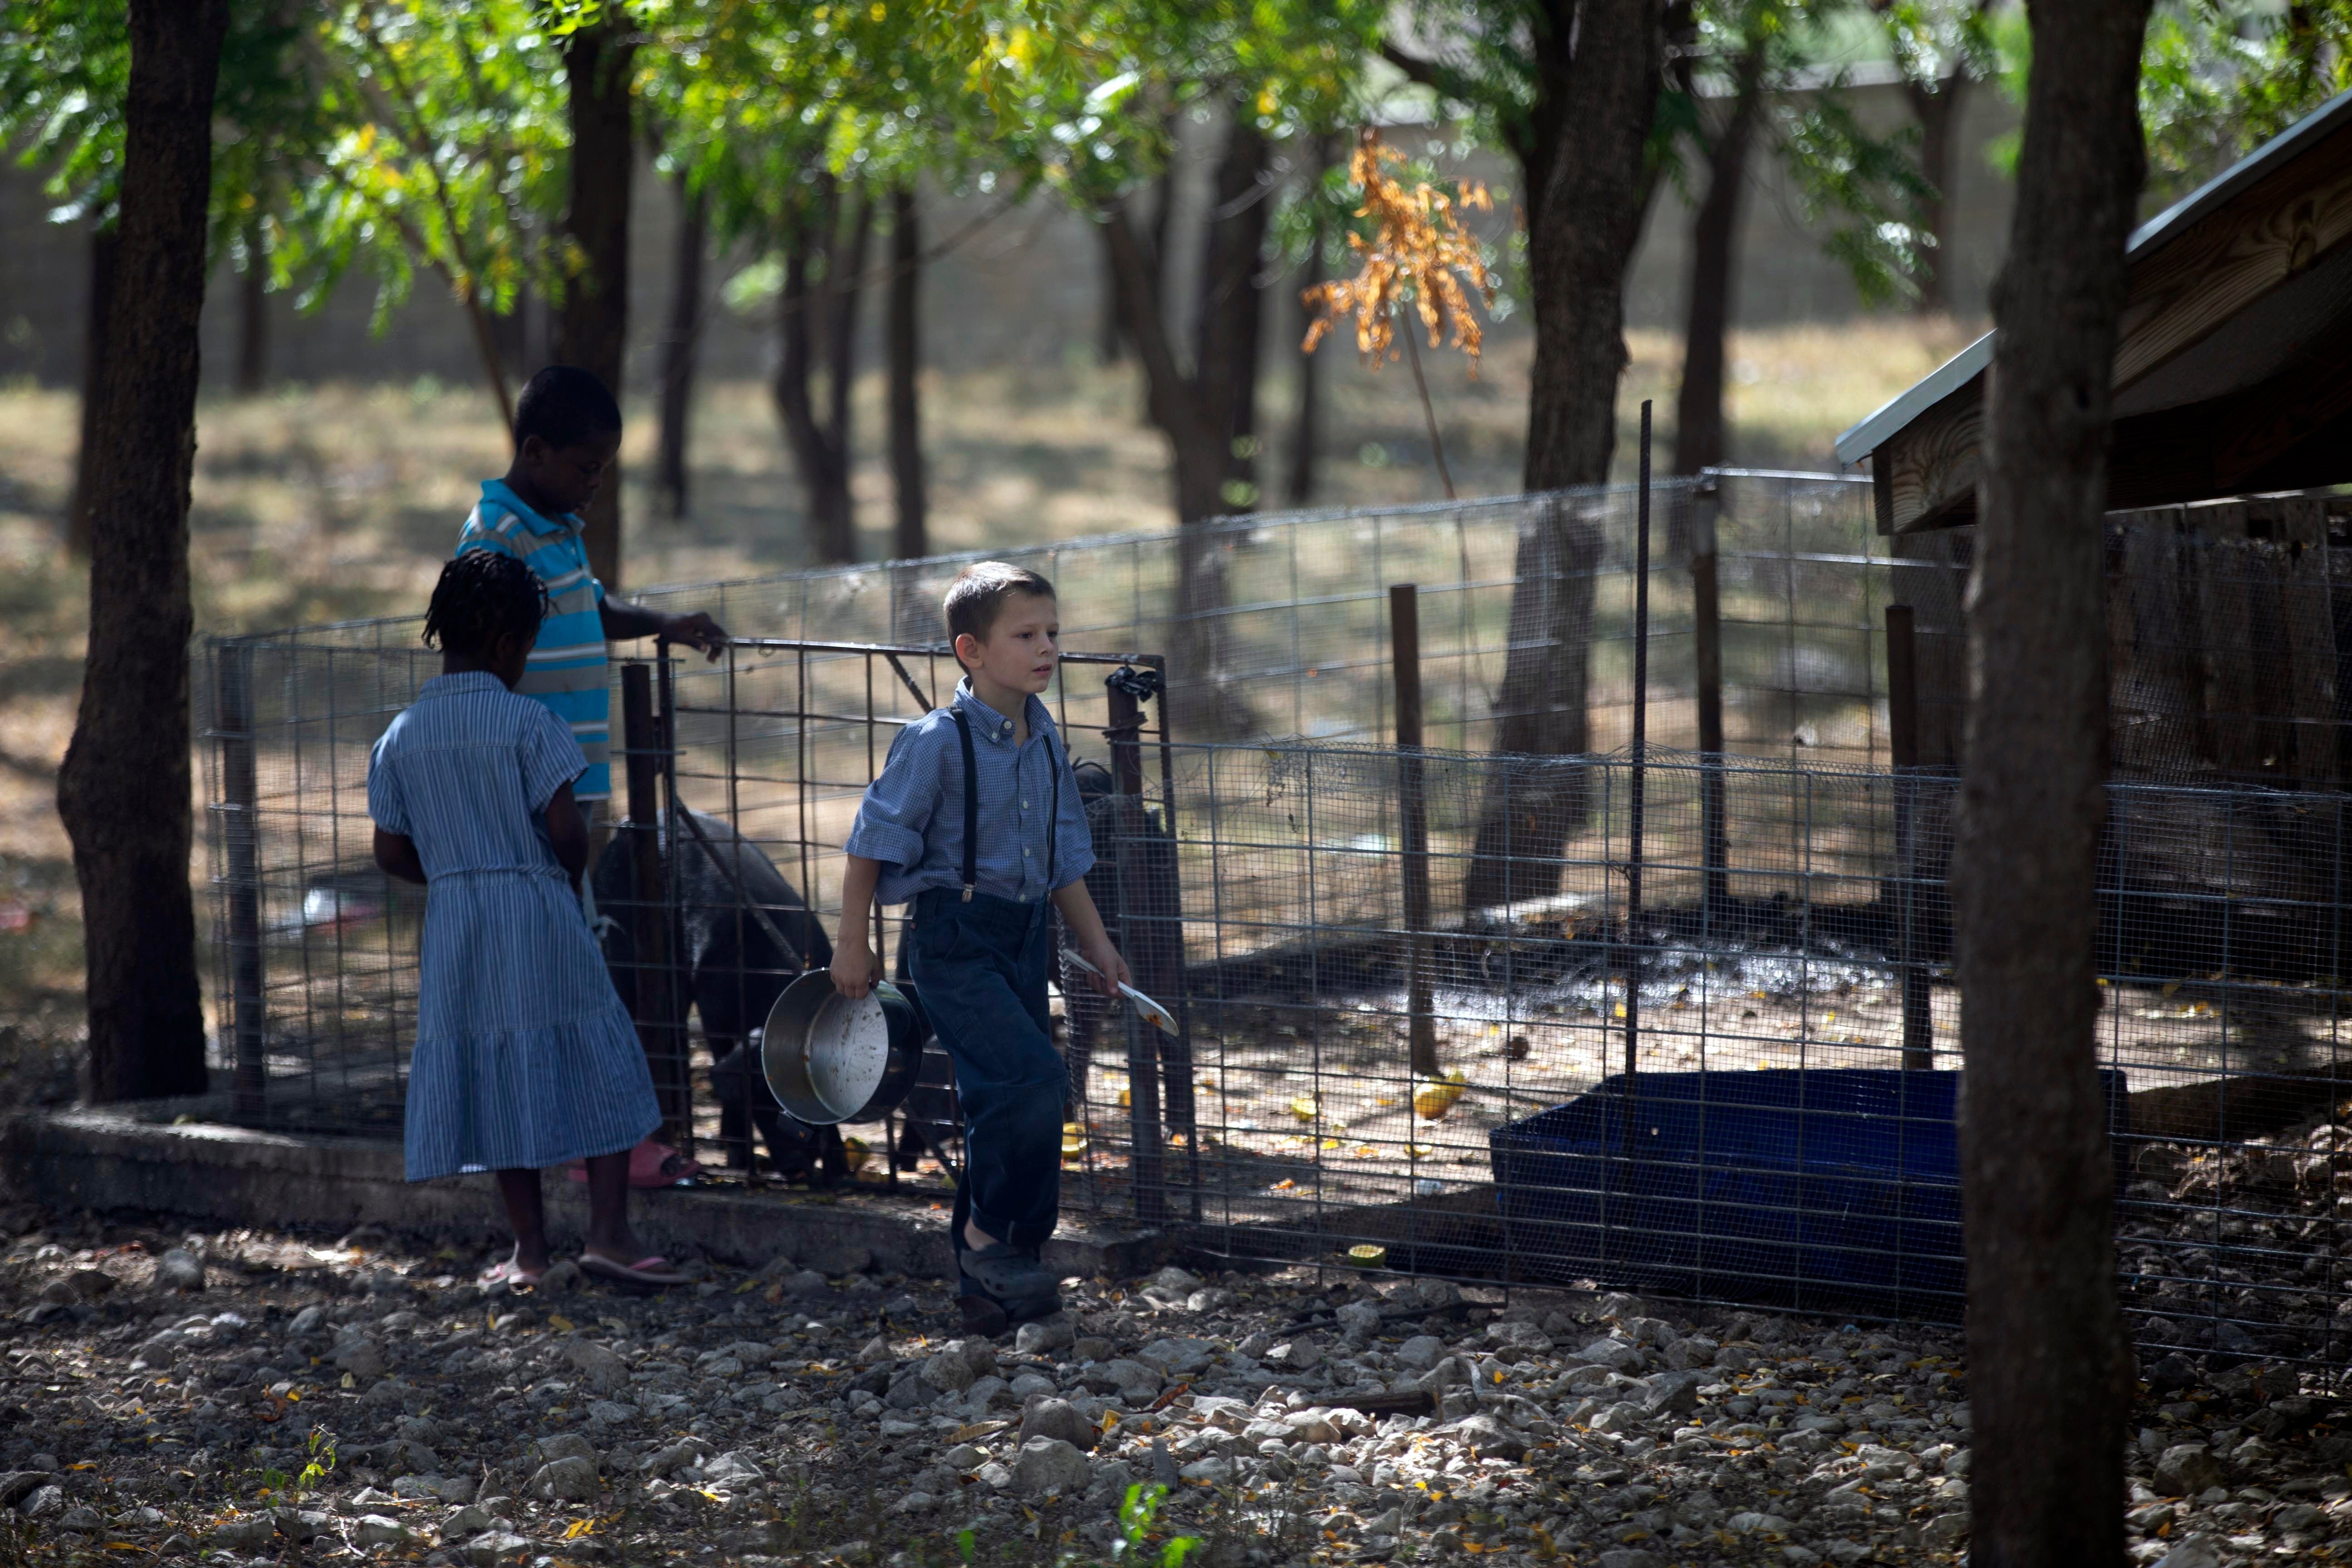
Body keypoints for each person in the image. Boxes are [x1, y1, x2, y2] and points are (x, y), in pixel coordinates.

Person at [369, 551, 689, 1291]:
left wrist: (452, 876)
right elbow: (567, 827)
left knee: (492, 1068)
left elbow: (389, 850)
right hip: (537, 905)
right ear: (514, 643)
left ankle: (531, 1253)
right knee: (596, 1055)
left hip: (457, 926)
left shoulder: (401, 736)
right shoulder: (528, 722)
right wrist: (556, 877)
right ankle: (609, 1236)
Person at [832, 562, 1131, 1330]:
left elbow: (1064, 854)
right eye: (1026, 635)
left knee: (1011, 1095)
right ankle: (987, 1237)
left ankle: (998, 1277)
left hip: (1025, 936)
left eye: (1053, 633)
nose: (1047, 649)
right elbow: (871, 841)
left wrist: (1096, 944)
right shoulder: (936, 741)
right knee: (1029, 1080)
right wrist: (852, 944)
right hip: (954, 938)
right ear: (970, 650)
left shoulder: (1044, 734)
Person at [455, 363, 725, 1189]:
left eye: (604, 470)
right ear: (535, 451)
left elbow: (592, 607)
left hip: (579, 790)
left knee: (573, 961)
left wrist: (664, 625)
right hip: (535, 798)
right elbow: (475, 664)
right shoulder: (496, 536)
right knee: (567, 970)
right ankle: (584, 1134)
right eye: (586, 468)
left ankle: (572, 1131)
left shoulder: (559, 525)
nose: (595, 485)